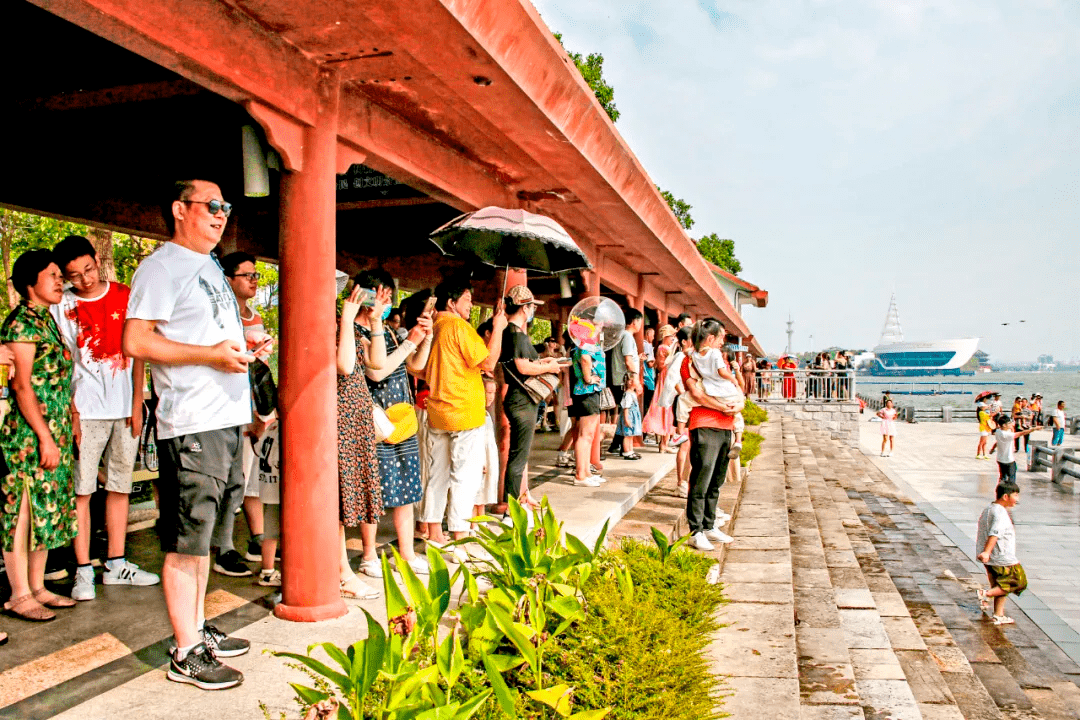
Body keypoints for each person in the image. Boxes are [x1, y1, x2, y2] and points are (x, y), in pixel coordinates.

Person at [123, 179, 252, 689]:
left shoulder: (208, 266)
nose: (221, 214)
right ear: (180, 210)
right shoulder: (161, 266)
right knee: (186, 541)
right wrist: (212, 355)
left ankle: (196, 629)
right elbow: (136, 340)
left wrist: (239, 346)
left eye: (226, 207)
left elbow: (203, 336)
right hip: (192, 423)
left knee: (205, 539)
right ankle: (184, 652)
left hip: (220, 418)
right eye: (211, 205)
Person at [50, 235, 159, 602]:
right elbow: (64, 362)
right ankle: (83, 570)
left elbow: (139, 349)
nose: (84, 280)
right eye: (74, 275)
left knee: (120, 487)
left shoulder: (125, 295)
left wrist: (136, 404)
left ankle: (116, 563)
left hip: (124, 407)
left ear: (97, 259)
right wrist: (74, 412)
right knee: (82, 491)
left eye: (89, 269)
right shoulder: (62, 305)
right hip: (86, 410)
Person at [1, 249, 78, 622]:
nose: (60, 279)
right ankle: (19, 594)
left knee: (47, 510)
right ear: (30, 283)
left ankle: (37, 586)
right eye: (52, 274)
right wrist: (45, 437)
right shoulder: (21, 324)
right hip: (28, 436)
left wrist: (71, 420)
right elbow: (22, 388)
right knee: (24, 511)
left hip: (55, 430)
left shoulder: (46, 320)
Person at [354, 270, 434, 579]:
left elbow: (414, 366)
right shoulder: (352, 330)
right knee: (373, 490)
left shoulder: (387, 330)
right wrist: (410, 342)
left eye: (388, 295)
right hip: (376, 419)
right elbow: (377, 372)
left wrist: (423, 340)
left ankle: (407, 552)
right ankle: (368, 554)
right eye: (379, 294)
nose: (385, 301)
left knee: (407, 486)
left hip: (401, 417)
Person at [417, 276, 506, 545]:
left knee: (437, 475)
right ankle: (459, 535)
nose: (470, 305)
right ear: (452, 302)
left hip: (438, 411)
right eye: (467, 300)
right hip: (465, 412)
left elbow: (416, 367)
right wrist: (498, 327)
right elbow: (489, 362)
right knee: (464, 478)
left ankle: (434, 533)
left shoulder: (431, 328)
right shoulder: (459, 327)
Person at [215, 251, 271, 577]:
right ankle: (223, 546)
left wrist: (263, 409)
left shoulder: (255, 317)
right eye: (247, 275)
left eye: (255, 275)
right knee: (226, 479)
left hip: (249, 406)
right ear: (228, 279)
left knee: (244, 479)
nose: (253, 281)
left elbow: (260, 367)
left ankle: (242, 541)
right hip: (223, 407)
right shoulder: (219, 316)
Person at [335, 280, 391, 598]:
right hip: (340, 418)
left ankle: (343, 570)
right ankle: (342, 572)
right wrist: (346, 318)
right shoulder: (332, 324)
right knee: (340, 498)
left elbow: (377, 363)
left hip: (357, 419)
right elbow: (344, 366)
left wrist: (376, 321)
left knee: (350, 495)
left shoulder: (355, 329)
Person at [499, 286, 563, 509]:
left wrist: (545, 363)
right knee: (517, 458)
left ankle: (521, 497)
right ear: (525, 307)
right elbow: (522, 367)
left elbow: (525, 364)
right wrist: (549, 366)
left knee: (521, 455)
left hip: (522, 400)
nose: (533, 310)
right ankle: (512, 509)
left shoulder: (515, 334)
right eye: (532, 306)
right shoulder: (514, 334)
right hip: (521, 400)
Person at [683, 318, 740, 550]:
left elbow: (737, 390)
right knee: (701, 479)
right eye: (721, 337)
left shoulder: (717, 358)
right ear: (710, 338)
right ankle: (696, 530)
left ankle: (709, 525)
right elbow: (696, 394)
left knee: (716, 479)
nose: (723, 341)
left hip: (726, 425)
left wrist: (738, 406)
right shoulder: (689, 361)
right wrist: (722, 407)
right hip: (704, 423)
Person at [976, 481, 1026, 625]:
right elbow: (994, 533)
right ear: (1005, 496)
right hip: (1001, 557)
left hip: (991, 558)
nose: (1017, 499)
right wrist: (987, 551)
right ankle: (985, 594)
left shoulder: (989, 509)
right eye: (1015, 495)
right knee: (1018, 581)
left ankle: (998, 614)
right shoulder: (1000, 513)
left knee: (999, 586)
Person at [569, 336, 605, 487]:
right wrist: (589, 378)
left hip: (587, 391)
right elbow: (585, 358)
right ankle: (580, 474)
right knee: (585, 435)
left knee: (588, 435)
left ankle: (586, 471)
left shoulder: (581, 343)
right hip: (588, 390)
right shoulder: (585, 342)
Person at [606, 308, 643, 457]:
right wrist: (636, 380)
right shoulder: (627, 337)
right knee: (628, 414)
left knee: (624, 414)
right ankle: (624, 448)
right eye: (639, 321)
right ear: (634, 321)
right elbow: (628, 361)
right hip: (624, 381)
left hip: (620, 380)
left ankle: (617, 445)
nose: (640, 324)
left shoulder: (621, 336)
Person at [642, 325, 676, 453]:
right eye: (671, 336)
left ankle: (664, 443)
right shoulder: (663, 348)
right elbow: (662, 365)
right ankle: (664, 443)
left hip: (666, 377)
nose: (672, 339)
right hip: (666, 378)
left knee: (667, 410)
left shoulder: (664, 348)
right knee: (666, 409)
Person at [992, 414, 1039, 484]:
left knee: (1002, 477)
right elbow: (1021, 433)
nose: (1011, 424)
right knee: (1011, 479)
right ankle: (1009, 491)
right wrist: (1033, 429)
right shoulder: (1007, 435)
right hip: (1008, 460)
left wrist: (992, 449)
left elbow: (997, 442)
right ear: (1004, 425)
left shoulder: (998, 432)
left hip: (1000, 459)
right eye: (1009, 423)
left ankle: (1001, 491)